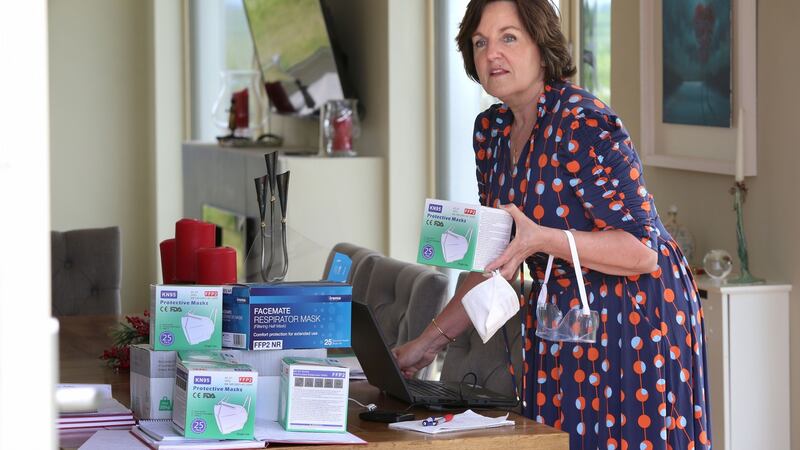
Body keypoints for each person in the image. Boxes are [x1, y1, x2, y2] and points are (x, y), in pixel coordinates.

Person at [392, 1, 712, 449]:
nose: (491, 55)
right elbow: (493, 260)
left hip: (636, 321)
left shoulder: (584, 122)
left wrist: (541, 238)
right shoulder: (490, 133)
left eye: (508, 38)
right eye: (480, 43)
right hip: (561, 317)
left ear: (542, 47)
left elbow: (642, 251)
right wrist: (426, 343)